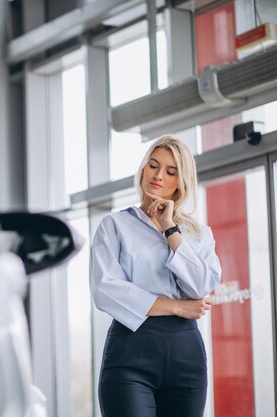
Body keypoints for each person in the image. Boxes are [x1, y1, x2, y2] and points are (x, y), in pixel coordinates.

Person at [90, 135, 222, 417]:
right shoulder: (114, 225)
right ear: (143, 169)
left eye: (170, 172)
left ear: (181, 182)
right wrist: (177, 306)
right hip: (130, 350)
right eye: (153, 166)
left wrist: (169, 229)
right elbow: (106, 290)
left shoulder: (199, 234)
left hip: (186, 354)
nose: (159, 176)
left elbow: (201, 285)